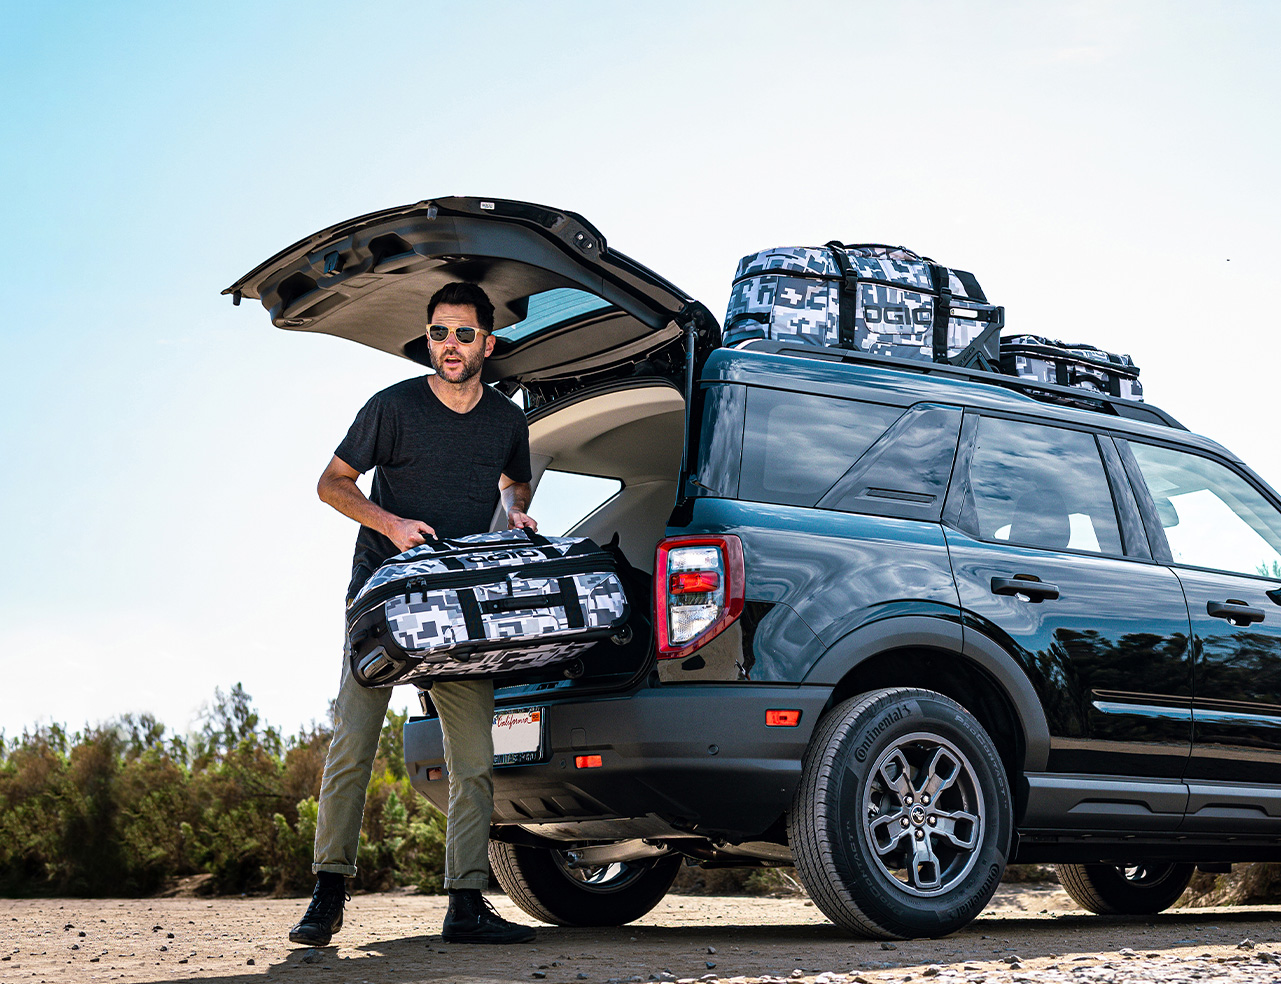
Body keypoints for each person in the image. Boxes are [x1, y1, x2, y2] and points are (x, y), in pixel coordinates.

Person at [289, 281, 538, 946]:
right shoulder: (392, 408)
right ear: (427, 339)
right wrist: (390, 524)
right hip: (384, 597)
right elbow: (331, 483)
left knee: (474, 758)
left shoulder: (506, 421)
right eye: (437, 333)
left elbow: (516, 480)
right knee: (353, 744)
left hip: (458, 606)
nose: (449, 345)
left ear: (487, 344)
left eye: (462, 334)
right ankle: (328, 892)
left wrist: (515, 514)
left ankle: (465, 903)